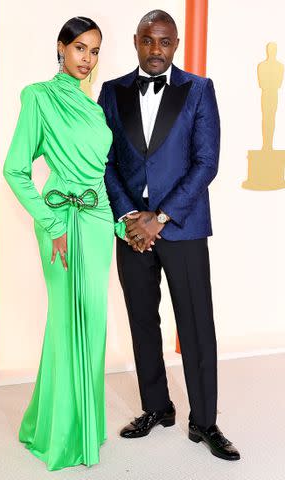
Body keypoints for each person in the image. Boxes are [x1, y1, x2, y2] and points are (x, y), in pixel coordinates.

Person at [98, 10, 240, 461]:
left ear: (175, 44)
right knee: (142, 321)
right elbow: (105, 162)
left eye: (165, 42)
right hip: (130, 231)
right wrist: (127, 215)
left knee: (196, 325)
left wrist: (159, 218)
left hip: (182, 227)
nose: (156, 50)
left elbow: (206, 162)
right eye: (147, 41)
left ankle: (205, 421)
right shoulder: (111, 91)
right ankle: (156, 407)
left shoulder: (199, 89)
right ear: (136, 41)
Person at [3, 17, 124, 471]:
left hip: (95, 224)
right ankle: (59, 434)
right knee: (64, 323)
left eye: (94, 51)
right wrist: (50, 223)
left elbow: (100, 176)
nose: (87, 59)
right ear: (61, 48)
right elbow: (15, 169)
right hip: (59, 222)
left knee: (92, 324)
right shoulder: (39, 97)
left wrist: (116, 224)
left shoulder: (94, 109)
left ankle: (83, 428)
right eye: (79, 48)